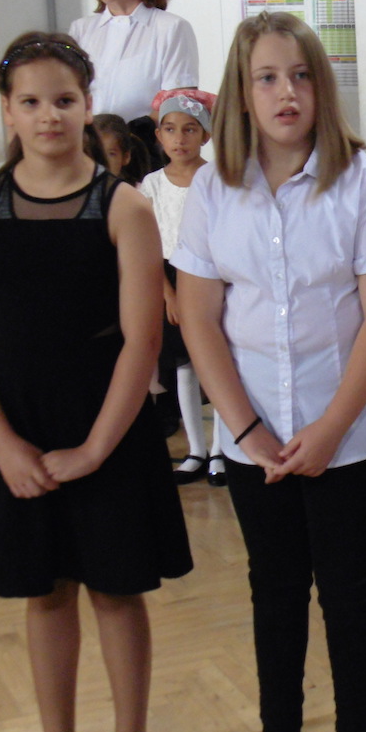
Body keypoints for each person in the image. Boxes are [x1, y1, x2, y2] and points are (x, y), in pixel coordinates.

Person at [173, 11, 366, 732]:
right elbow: (200, 318)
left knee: (349, 590)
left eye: (302, 76)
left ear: (322, 88)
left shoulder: (360, 181)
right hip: (255, 438)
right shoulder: (213, 188)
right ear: (242, 94)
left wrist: (331, 427)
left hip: (348, 433)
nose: (287, 93)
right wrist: (247, 431)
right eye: (268, 78)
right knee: (273, 589)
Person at [0, 32, 192, 732]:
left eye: (63, 99)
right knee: (45, 590)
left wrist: (94, 449)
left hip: (106, 420)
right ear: (8, 111)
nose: (48, 114)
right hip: (15, 421)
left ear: (87, 104)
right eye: (31, 101)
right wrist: (3, 445)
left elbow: (142, 340)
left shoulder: (123, 207)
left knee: (116, 590)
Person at [138, 88, 224, 485]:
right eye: (170, 129)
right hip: (170, 278)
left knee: (218, 364)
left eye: (190, 129)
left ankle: (222, 449)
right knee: (185, 367)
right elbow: (147, 246)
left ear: (205, 135)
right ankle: (196, 450)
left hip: (211, 277)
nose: (179, 138)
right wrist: (168, 294)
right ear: (158, 135)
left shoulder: (218, 179)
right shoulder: (151, 185)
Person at [70, 0, 198, 127]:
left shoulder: (171, 28)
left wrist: (135, 134)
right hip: (89, 140)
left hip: (145, 142)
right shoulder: (81, 30)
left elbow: (178, 102)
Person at [94, 113, 151, 186]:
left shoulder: (139, 191)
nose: (102, 160)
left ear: (125, 157)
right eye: (95, 152)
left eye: (111, 154)